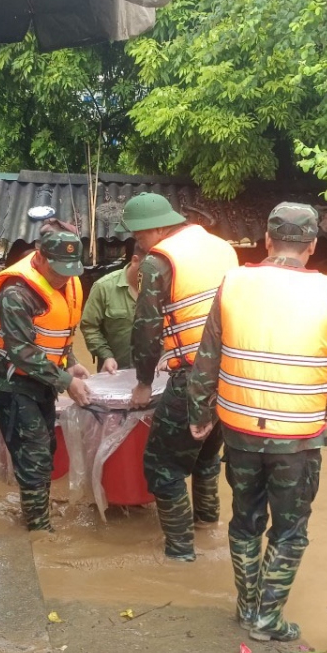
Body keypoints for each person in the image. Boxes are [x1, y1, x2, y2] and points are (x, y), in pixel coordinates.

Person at [187, 203, 327, 642]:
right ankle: (267, 619)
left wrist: (198, 414)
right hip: (297, 440)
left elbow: (207, 358)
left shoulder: (233, 283)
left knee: (244, 520)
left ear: (267, 241)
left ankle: (248, 610)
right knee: (290, 530)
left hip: (241, 431)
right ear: (312, 246)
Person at [116, 192, 239, 561]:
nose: (137, 244)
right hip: (232, 377)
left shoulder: (159, 262)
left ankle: (180, 554)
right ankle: (207, 525)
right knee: (204, 458)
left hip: (192, 379)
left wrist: (141, 382)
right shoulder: (222, 248)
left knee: (163, 467)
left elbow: (146, 330)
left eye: (139, 237)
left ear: (156, 229)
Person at [0, 230, 92, 531]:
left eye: (69, 272)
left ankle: (35, 510)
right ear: (40, 257)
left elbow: (58, 334)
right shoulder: (16, 293)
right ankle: (38, 531)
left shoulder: (68, 284)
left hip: (40, 379)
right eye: (57, 272)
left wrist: (72, 363)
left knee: (46, 447)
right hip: (10, 381)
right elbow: (23, 353)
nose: (63, 279)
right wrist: (66, 380)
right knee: (34, 451)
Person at [79, 242, 141, 373]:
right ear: (135, 261)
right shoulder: (104, 287)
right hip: (113, 374)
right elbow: (89, 326)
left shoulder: (161, 288)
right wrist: (106, 355)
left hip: (153, 375)